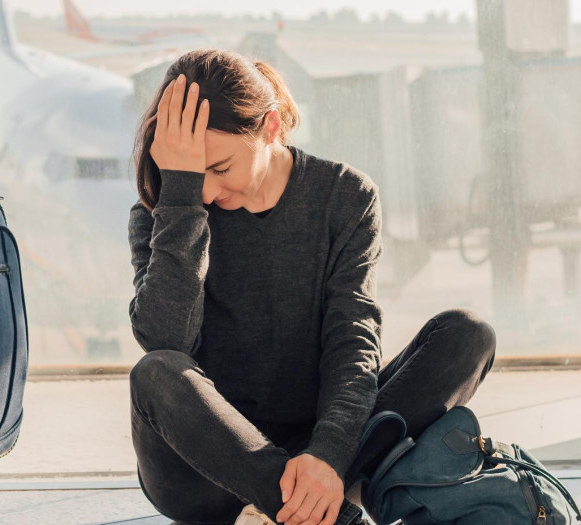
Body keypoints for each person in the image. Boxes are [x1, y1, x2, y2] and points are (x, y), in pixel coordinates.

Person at [126, 49, 497, 525]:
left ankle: (295, 502)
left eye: (219, 168)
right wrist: (178, 198)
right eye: (191, 174)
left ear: (270, 127)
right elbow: (167, 341)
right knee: (155, 372)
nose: (208, 192)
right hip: (207, 470)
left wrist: (328, 456)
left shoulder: (345, 197)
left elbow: (352, 340)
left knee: (467, 334)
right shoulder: (167, 211)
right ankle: (321, 513)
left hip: (322, 449)